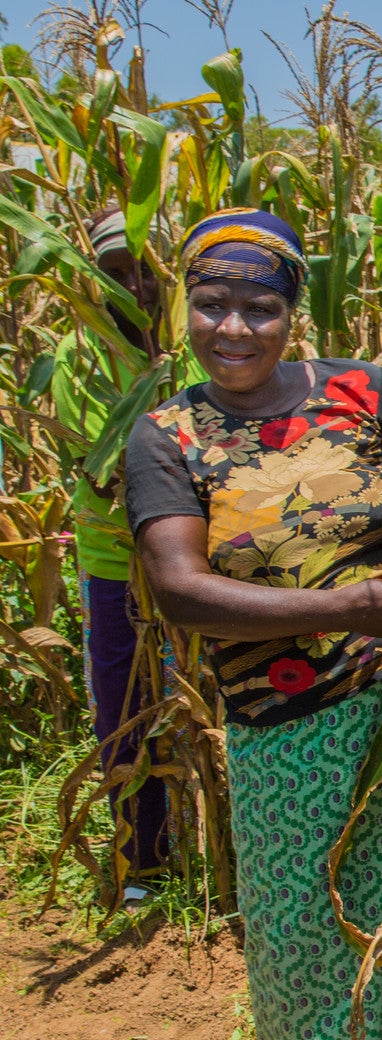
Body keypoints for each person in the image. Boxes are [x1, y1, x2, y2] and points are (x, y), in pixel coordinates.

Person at [124, 207, 382, 1040]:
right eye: (212, 304)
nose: (232, 328)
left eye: (259, 307)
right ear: (188, 307)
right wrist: (347, 605)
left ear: (294, 313)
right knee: (298, 936)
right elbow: (183, 593)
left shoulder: (363, 391)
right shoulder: (169, 436)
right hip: (282, 723)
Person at [57, 209, 192, 891]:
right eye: (115, 273)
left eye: (146, 268)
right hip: (117, 567)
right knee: (126, 705)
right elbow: (106, 468)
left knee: (201, 706)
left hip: (199, 570)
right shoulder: (80, 360)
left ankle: (209, 855)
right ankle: (142, 860)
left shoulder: (200, 349)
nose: (134, 286)